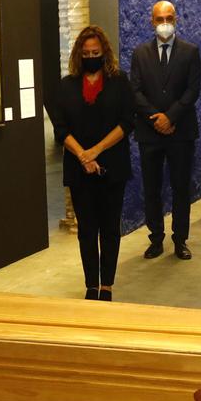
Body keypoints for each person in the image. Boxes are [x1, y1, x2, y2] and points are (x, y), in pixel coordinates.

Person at [45, 25, 137, 301]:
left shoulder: (119, 82)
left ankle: (106, 284)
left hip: (112, 166)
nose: (91, 57)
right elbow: (60, 129)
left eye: (95, 52)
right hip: (79, 168)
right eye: (86, 53)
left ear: (104, 53)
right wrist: (83, 155)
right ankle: (90, 285)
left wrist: (95, 151)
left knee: (109, 227)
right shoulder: (67, 85)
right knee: (87, 229)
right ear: (78, 55)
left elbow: (126, 123)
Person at [128, 0, 201, 260]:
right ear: (151, 22)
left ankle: (180, 240)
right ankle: (156, 238)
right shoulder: (140, 53)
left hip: (180, 132)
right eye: (159, 19)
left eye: (168, 18)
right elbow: (134, 91)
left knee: (181, 188)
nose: (164, 24)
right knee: (152, 189)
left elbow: (192, 90)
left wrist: (169, 117)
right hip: (149, 134)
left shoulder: (190, 52)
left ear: (176, 19)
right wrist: (154, 118)